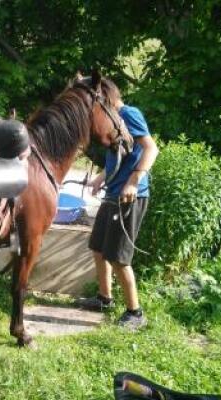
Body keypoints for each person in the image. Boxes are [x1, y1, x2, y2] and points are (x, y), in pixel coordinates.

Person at [75, 78, 159, 330]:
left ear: (103, 95)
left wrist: (133, 181)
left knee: (119, 257)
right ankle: (104, 298)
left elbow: (150, 149)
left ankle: (135, 313)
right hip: (113, 194)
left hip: (130, 196)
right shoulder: (112, 120)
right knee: (98, 248)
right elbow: (119, 157)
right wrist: (100, 179)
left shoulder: (128, 114)